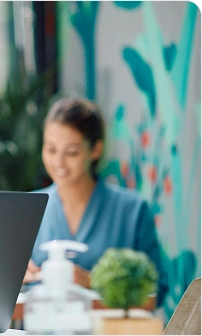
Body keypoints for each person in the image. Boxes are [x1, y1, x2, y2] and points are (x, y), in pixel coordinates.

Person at [23, 97, 168, 304]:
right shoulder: (25, 209)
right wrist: (12, 278)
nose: (58, 162)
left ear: (95, 150)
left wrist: (94, 282)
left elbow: (158, 291)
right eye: (51, 150)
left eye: (71, 152)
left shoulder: (132, 210)